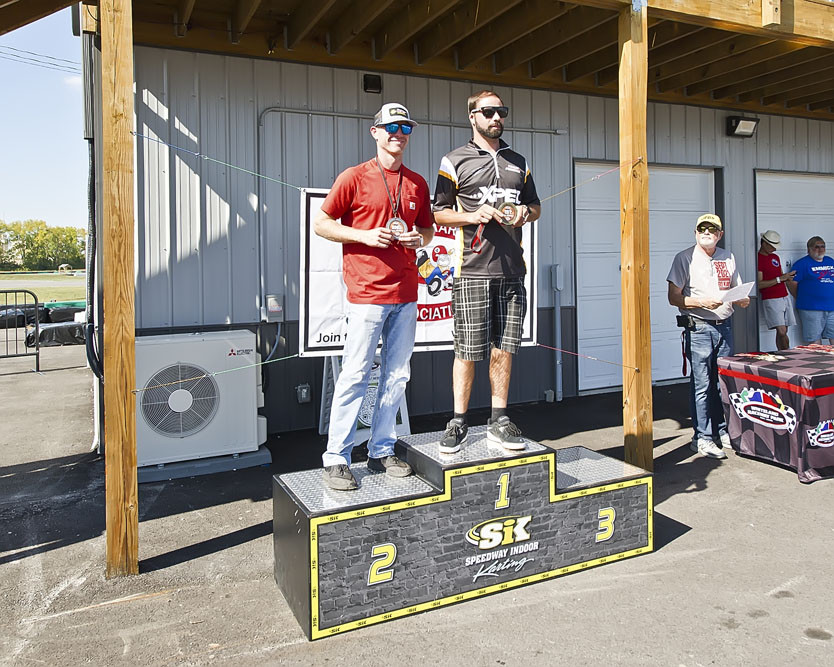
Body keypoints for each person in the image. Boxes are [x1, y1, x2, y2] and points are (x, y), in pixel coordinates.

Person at [314, 103, 434, 490]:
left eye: (406, 128)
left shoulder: (417, 183)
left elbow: (427, 230)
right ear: (376, 132)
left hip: (407, 292)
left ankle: (381, 449)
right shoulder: (354, 177)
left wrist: (418, 238)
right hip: (367, 294)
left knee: (397, 376)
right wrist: (363, 236)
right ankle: (337, 458)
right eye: (392, 127)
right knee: (355, 374)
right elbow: (322, 223)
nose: (399, 134)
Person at [432, 90, 541, 454]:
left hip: (512, 271)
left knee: (503, 349)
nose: (497, 118)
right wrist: (471, 215)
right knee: (466, 350)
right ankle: (458, 422)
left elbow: (535, 206)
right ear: (473, 116)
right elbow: (438, 213)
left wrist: (524, 213)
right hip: (472, 270)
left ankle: (499, 420)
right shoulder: (454, 160)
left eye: (502, 111)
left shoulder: (518, 161)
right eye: (489, 111)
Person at [667, 214, 750, 460]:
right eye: (702, 228)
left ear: (719, 234)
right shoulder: (684, 258)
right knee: (702, 385)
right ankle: (701, 438)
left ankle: (721, 431)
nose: (706, 232)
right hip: (699, 328)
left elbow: (736, 289)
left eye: (712, 229)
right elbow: (673, 297)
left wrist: (742, 299)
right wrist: (701, 302)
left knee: (722, 383)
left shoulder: (728, 256)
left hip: (725, 327)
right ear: (695, 233)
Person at [787, 236, 834, 345]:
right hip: (811, 308)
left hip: (832, 307)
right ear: (809, 249)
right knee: (814, 340)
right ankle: (817, 357)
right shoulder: (801, 264)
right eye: (817, 247)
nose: (820, 249)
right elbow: (791, 283)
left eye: (822, 246)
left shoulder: (830, 261)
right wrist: (801, 297)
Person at [756, 230, 796, 350]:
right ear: (764, 243)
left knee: (784, 330)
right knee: (782, 330)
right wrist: (780, 279)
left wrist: (787, 277)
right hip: (771, 298)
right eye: (772, 246)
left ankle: (782, 353)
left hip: (784, 295)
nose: (774, 249)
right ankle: (787, 353)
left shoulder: (775, 257)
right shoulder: (758, 258)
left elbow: (780, 275)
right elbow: (759, 284)